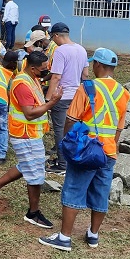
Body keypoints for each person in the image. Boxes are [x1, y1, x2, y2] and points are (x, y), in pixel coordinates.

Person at [39, 48, 130, 252]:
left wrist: (66, 144)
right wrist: (111, 148)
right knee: (100, 192)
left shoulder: (87, 87)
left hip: (86, 150)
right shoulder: (123, 93)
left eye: (93, 64)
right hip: (108, 152)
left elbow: (70, 120)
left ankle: (64, 238)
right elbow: (118, 128)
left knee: (73, 189)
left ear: (98, 64)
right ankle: (93, 235)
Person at [0, 51, 63, 228]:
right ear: (33, 69)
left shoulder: (31, 78)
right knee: (35, 175)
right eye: (43, 70)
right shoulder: (22, 84)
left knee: (27, 165)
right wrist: (53, 102)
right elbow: (30, 113)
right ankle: (33, 213)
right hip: (24, 134)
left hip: (31, 134)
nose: (45, 72)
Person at [46, 22, 89, 173]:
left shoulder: (60, 51)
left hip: (62, 96)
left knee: (60, 130)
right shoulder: (81, 49)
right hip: (78, 95)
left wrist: (48, 99)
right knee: (74, 129)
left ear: (56, 35)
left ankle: (62, 165)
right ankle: (73, 158)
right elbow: (85, 75)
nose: (53, 40)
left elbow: (56, 77)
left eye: (53, 37)